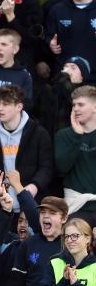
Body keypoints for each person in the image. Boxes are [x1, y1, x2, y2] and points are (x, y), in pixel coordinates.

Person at [0, 85, 53, 211]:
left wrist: (35, 185)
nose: (0, 108)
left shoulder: (38, 133)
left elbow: (47, 166)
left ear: (19, 107)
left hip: (31, 203)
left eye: (6, 104)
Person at [45, 0, 95, 84]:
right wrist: (50, 44)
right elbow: (48, 36)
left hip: (93, 78)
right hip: (65, 77)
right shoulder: (57, 10)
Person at [55, 86, 96, 227]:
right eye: (74, 105)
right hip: (76, 207)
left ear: (94, 107)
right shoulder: (64, 135)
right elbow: (62, 167)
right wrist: (78, 137)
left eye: (81, 105)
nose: (76, 109)